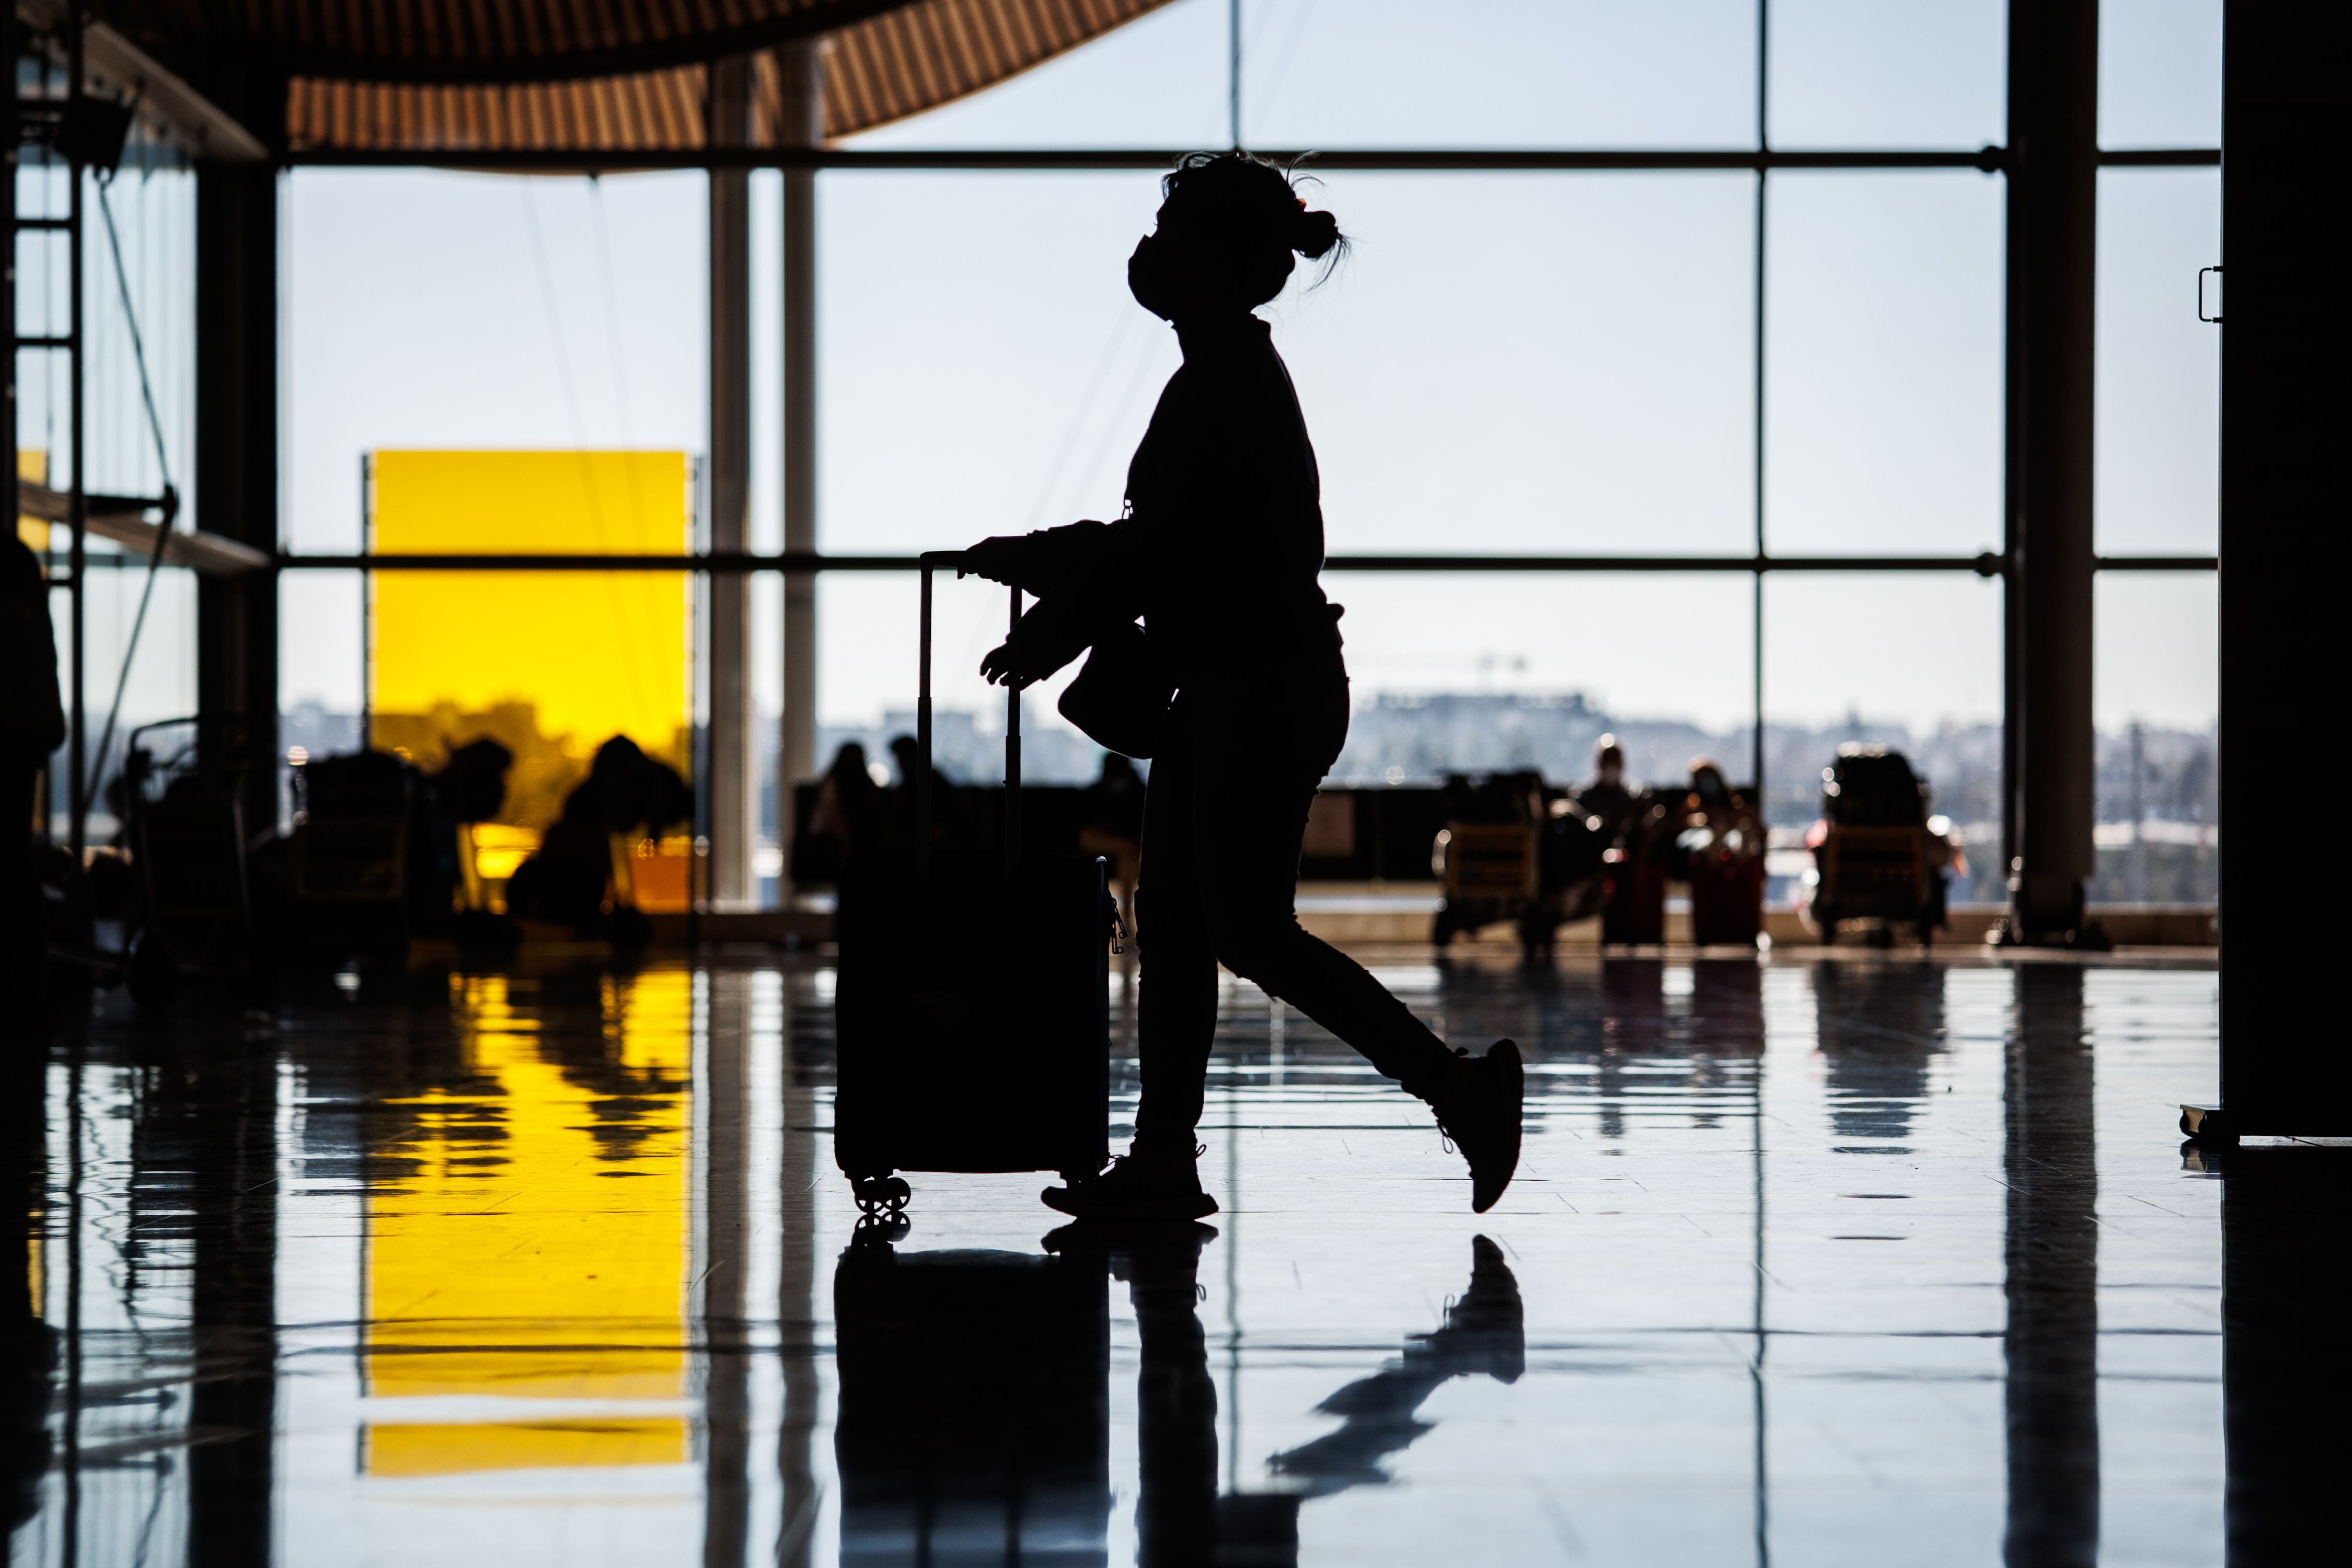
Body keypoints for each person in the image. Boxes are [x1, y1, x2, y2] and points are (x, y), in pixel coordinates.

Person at [961, 153, 1523, 1219]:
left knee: (1239, 931)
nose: (1151, 251)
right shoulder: (1223, 372)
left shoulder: (1221, 383)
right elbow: (1154, 542)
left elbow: (1156, 553)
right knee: (1187, 925)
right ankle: (1171, 1161)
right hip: (1253, 687)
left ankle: (1458, 1091)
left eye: (1170, 233)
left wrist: (1049, 625)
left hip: (1251, 693)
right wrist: (1031, 558)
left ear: (1211, 261)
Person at [0, 535, 63, 1025]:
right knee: (16, 858)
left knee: (13, 862)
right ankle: (31, 975)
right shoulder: (31, 612)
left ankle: (25, 974)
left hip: (12, 739)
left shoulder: (11, 615)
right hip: (26, 738)